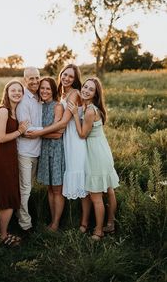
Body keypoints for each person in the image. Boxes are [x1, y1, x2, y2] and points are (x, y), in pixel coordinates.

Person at [26, 64, 90, 232]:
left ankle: (83, 223)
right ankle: (58, 221)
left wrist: (38, 133)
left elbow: (62, 123)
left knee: (80, 179)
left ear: (75, 79)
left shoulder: (74, 94)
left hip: (73, 138)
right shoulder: (60, 95)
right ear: (60, 75)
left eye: (71, 76)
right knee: (54, 185)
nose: (66, 78)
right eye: (64, 75)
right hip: (63, 139)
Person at [68, 77, 119, 241]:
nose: (86, 90)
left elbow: (82, 134)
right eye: (85, 87)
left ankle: (99, 231)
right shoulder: (92, 107)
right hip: (102, 151)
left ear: (96, 93)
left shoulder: (90, 110)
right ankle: (110, 224)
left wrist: (76, 115)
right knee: (109, 190)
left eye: (90, 89)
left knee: (96, 196)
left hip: (96, 155)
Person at [0, 80, 29, 246]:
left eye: (20, 90)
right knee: (9, 199)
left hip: (9, 159)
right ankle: (3, 237)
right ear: (7, 92)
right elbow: (0, 138)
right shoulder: (3, 111)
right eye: (13, 90)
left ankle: (0, 233)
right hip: (1, 160)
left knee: (5, 197)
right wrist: (20, 131)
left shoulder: (14, 111)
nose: (17, 93)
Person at [36, 77, 65, 231]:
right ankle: (53, 220)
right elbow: (50, 131)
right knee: (49, 188)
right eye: (42, 88)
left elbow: (57, 134)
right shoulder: (40, 106)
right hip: (44, 150)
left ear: (53, 90)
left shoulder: (57, 107)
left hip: (55, 151)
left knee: (57, 189)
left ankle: (55, 223)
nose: (44, 91)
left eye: (48, 88)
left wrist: (36, 134)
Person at [16, 67, 42, 234]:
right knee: (25, 189)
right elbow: (27, 131)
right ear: (25, 80)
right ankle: (25, 225)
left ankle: (25, 217)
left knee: (29, 188)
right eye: (31, 78)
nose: (34, 81)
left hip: (36, 151)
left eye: (37, 78)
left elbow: (35, 130)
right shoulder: (23, 100)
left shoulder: (39, 97)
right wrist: (51, 130)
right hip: (25, 152)